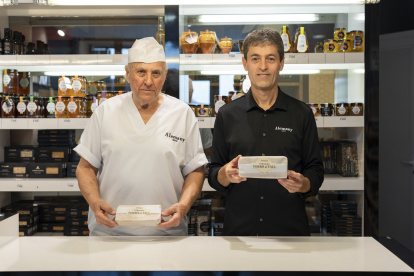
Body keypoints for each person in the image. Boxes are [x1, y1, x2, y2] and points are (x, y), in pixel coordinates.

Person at [75, 37, 207, 236]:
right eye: (141, 72)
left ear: (164, 76)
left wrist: (184, 206)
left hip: (166, 234)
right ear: (128, 74)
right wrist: (94, 202)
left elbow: (196, 171)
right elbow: (85, 168)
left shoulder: (182, 113)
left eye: (156, 73)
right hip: (110, 233)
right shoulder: (105, 112)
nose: (148, 81)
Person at [208, 29, 324, 236]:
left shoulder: (302, 114)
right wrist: (224, 174)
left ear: (281, 63)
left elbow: (315, 171)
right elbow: (213, 174)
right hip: (239, 235)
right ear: (245, 63)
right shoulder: (226, 115)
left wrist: (303, 183)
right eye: (255, 59)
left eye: (270, 58)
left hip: (290, 233)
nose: (263, 66)